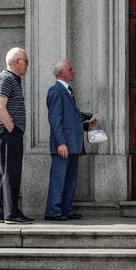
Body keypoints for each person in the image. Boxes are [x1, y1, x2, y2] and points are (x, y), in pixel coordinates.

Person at [44, 59, 93, 221]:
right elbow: (55, 120)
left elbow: (70, 118)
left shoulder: (68, 91)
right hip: (64, 145)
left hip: (73, 144)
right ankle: (54, 211)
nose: (74, 71)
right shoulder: (56, 91)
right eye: (70, 69)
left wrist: (86, 124)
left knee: (70, 180)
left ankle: (65, 209)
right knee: (59, 179)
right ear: (61, 73)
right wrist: (61, 143)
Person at [0, 47, 34, 225]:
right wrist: (12, 129)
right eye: (26, 61)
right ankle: (11, 214)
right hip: (8, 133)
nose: (27, 65)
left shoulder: (10, 79)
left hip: (6, 133)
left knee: (5, 172)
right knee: (11, 172)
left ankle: (1, 212)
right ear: (16, 62)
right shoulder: (6, 78)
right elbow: (0, 106)